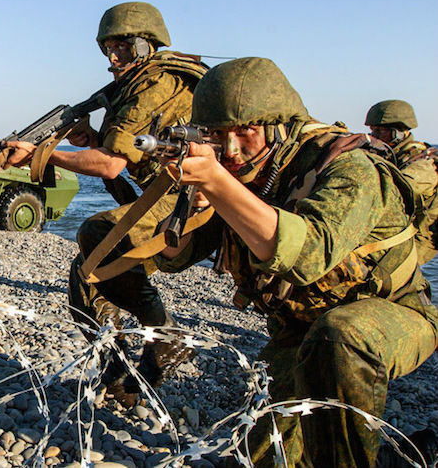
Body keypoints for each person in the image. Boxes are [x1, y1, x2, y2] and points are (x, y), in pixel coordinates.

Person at [152, 57, 438, 467]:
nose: (231, 150)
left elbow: (308, 255)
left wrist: (217, 182)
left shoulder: (348, 168)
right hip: (301, 329)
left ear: (278, 126)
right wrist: (195, 203)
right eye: (217, 134)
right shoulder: (242, 174)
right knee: (259, 458)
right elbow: (172, 259)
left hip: (391, 314)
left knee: (340, 339)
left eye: (246, 131)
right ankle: (407, 456)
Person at [2, 2, 208, 403]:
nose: (113, 59)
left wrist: (43, 154)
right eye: (108, 50)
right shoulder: (137, 85)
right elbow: (126, 154)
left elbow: (112, 165)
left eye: (123, 48)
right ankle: (117, 368)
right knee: (85, 273)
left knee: (96, 233)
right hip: (168, 195)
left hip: (195, 199)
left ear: (146, 45)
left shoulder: (157, 84)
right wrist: (92, 141)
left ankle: (165, 335)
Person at [366, 99, 438, 264]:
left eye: (379, 131)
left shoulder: (423, 166)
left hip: (415, 239)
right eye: (372, 130)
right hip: (395, 230)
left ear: (397, 133)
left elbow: (394, 192)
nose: (373, 136)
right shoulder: (391, 155)